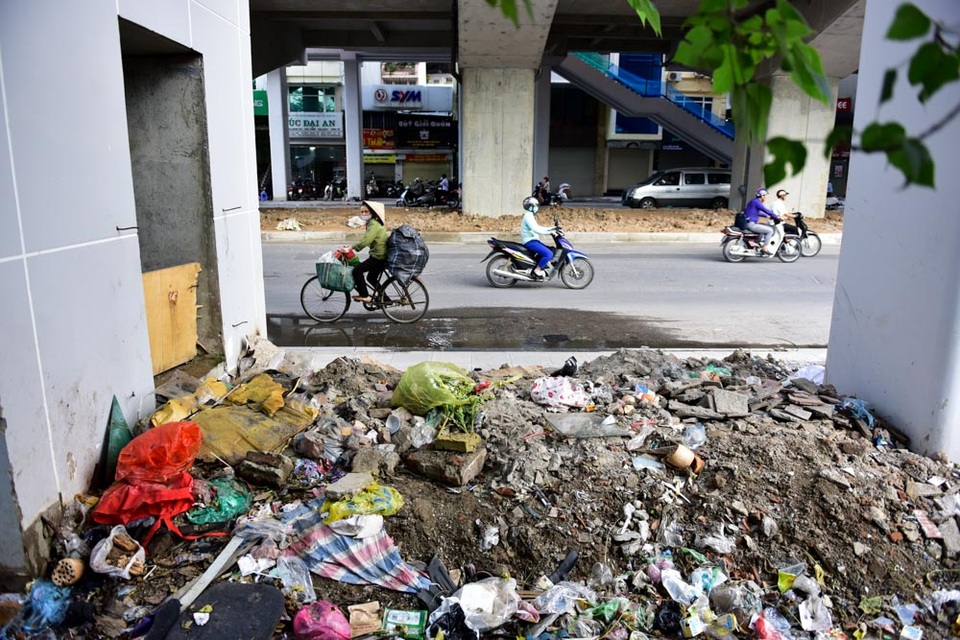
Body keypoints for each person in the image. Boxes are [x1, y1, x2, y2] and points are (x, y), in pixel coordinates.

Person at [343, 201, 388, 303]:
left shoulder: (374, 224)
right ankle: (385, 299)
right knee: (371, 278)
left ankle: (365, 296)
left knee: (357, 270)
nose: (363, 214)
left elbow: (366, 240)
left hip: (378, 257)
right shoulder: (371, 223)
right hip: (380, 256)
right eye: (362, 212)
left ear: (372, 212)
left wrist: (352, 248)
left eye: (366, 211)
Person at [520, 196, 556, 279]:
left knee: (549, 250)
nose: (537, 208)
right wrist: (550, 232)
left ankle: (539, 267)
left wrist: (551, 229)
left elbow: (538, 227)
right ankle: (537, 270)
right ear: (531, 206)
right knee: (548, 254)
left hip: (533, 241)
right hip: (530, 242)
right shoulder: (528, 216)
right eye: (535, 206)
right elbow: (536, 229)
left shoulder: (529, 215)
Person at [742, 187, 781, 254]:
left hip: (748, 222)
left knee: (763, 227)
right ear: (762, 195)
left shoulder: (753, 201)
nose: (766, 197)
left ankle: (757, 244)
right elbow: (766, 210)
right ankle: (765, 248)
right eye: (765, 196)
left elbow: (756, 212)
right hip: (751, 224)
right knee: (770, 230)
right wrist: (776, 216)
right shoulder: (757, 202)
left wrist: (766, 216)